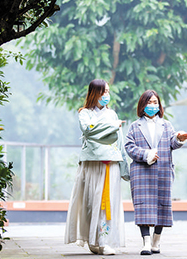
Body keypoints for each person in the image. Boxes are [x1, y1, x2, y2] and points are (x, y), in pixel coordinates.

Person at [65, 79, 128, 256]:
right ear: (94, 93)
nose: (106, 95)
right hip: (91, 164)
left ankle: (104, 241)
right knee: (91, 201)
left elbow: (120, 142)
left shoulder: (113, 114)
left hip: (110, 164)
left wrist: (124, 168)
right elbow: (88, 131)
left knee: (107, 203)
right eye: (103, 92)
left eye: (108, 91)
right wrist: (112, 127)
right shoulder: (84, 113)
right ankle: (92, 240)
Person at [125, 89, 187, 255]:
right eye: (149, 102)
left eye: (155, 102)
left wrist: (179, 139)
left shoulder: (167, 125)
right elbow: (129, 147)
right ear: (142, 105)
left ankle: (156, 240)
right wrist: (146, 154)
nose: (152, 105)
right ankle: (146, 243)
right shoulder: (134, 126)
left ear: (159, 105)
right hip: (141, 171)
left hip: (163, 171)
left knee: (162, 205)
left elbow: (172, 144)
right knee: (143, 207)